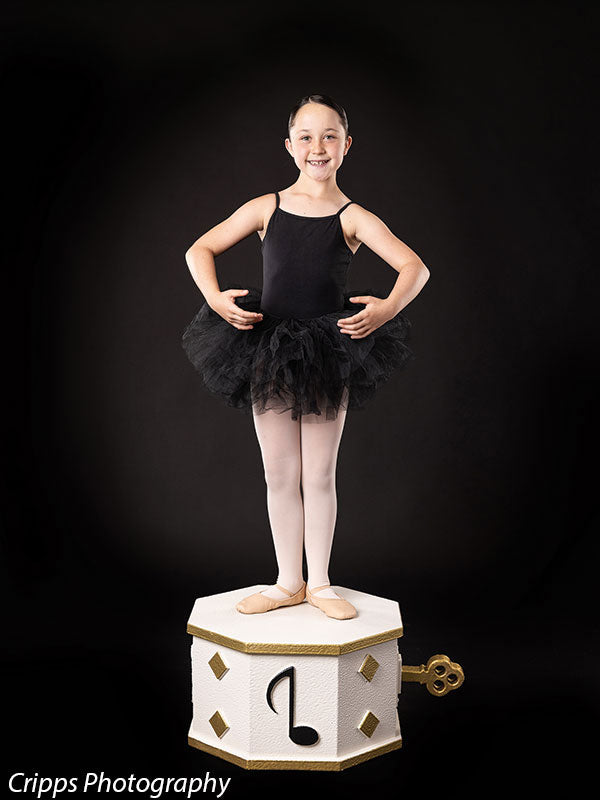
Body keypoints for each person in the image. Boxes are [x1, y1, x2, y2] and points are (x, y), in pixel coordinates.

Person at [182, 94, 430, 620]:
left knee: (318, 472)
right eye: (307, 136)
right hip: (267, 348)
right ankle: (286, 580)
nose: (318, 147)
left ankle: (319, 581)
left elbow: (414, 268)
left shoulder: (352, 216)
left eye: (330, 136)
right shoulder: (265, 207)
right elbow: (198, 250)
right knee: (278, 472)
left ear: (345, 146)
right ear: (290, 145)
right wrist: (214, 296)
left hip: (324, 350)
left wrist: (385, 310)